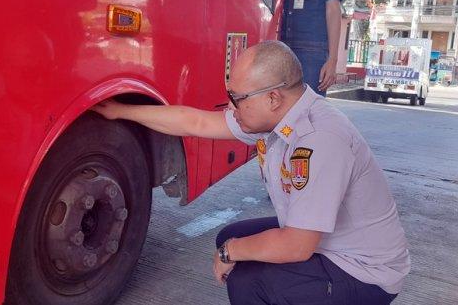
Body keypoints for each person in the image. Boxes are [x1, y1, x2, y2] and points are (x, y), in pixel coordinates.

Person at [92, 41, 410, 304]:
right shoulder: (277, 117)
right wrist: (122, 111)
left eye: (237, 98)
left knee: (248, 280)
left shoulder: (319, 140)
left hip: (363, 273)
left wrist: (230, 253)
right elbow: (196, 122)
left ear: (273, 97)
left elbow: (296, 246)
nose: (230, 107)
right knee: (231, 240)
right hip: (328, 240)